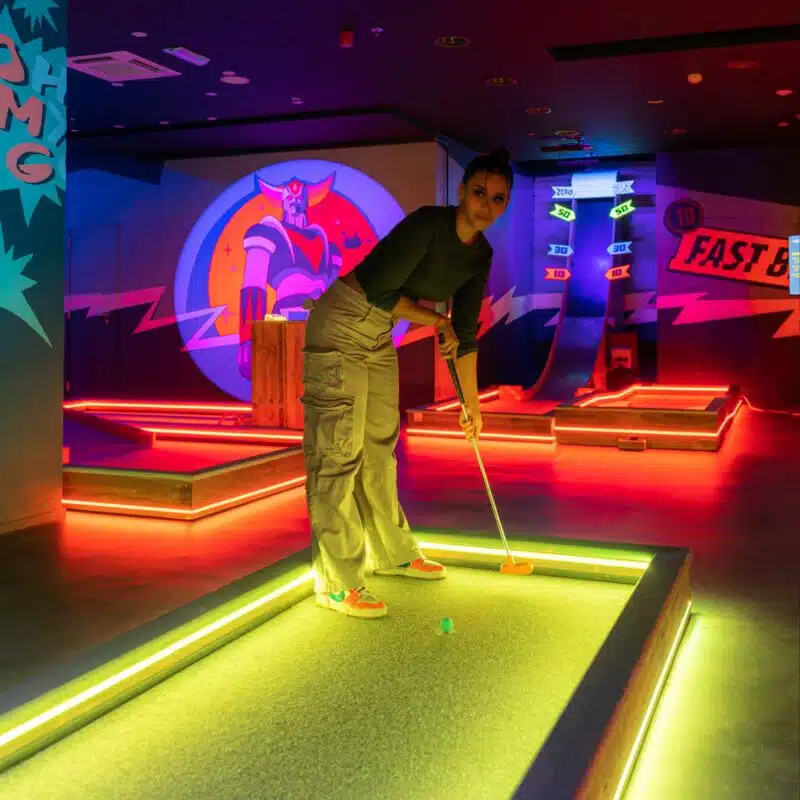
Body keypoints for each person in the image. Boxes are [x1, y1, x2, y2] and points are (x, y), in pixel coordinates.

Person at [301, 148, 513, 619]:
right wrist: (435, 320)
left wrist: (472, 408)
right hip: (341, 325)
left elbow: (465, 335)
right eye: (479, 193)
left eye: (498, 198)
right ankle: (335, 582)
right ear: (462, 191)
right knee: (338, 453)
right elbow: (379, 291)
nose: (486, 205)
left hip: (378, 335)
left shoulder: (480, 254)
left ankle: (391, 553)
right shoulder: (428, 225)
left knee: (379, 447)